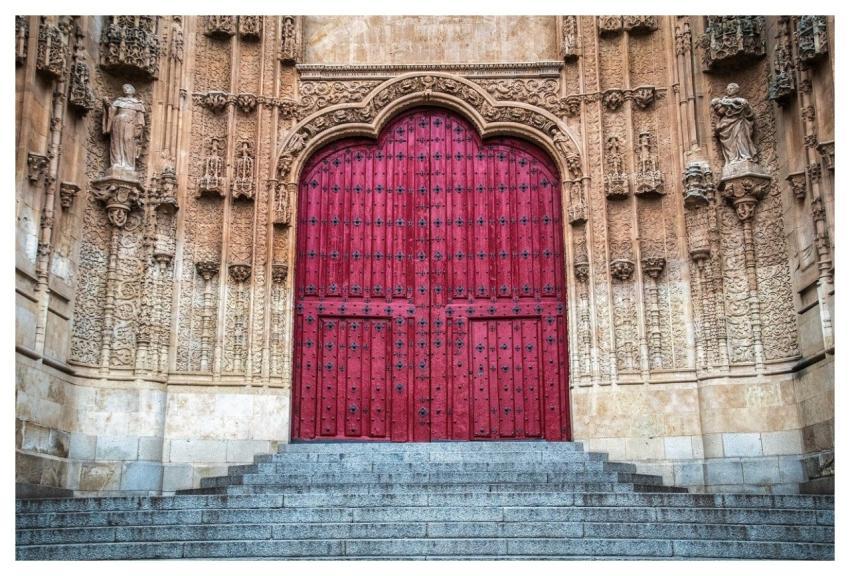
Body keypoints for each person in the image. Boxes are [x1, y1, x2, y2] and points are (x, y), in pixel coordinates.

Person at [102, 84, 146, 175]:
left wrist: (139, 127)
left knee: (128, 141)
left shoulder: (138, 103)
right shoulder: (119, 101)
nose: (125, 90)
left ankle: (128, 164)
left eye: (128, 88)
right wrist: (107, 105)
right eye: (124, 88)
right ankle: (117, 162)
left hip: (130, 124)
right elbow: (112, 111)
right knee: (116, 142)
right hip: (117, 123)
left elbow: (140, 117)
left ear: (133, 90)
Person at [711, 83, 758, 165]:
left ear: (736, 90)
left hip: (739, 122)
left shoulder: (741, 100)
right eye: (728, 89)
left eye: (731, 88)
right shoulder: (724, 101)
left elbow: (749, 112)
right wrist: (718, 106)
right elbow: (720, 112)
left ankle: (745, 156)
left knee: (741, 138)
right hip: (727, 125)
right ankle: (733, 158)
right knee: (731, 142)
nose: (729, 90)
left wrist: (735, 101)